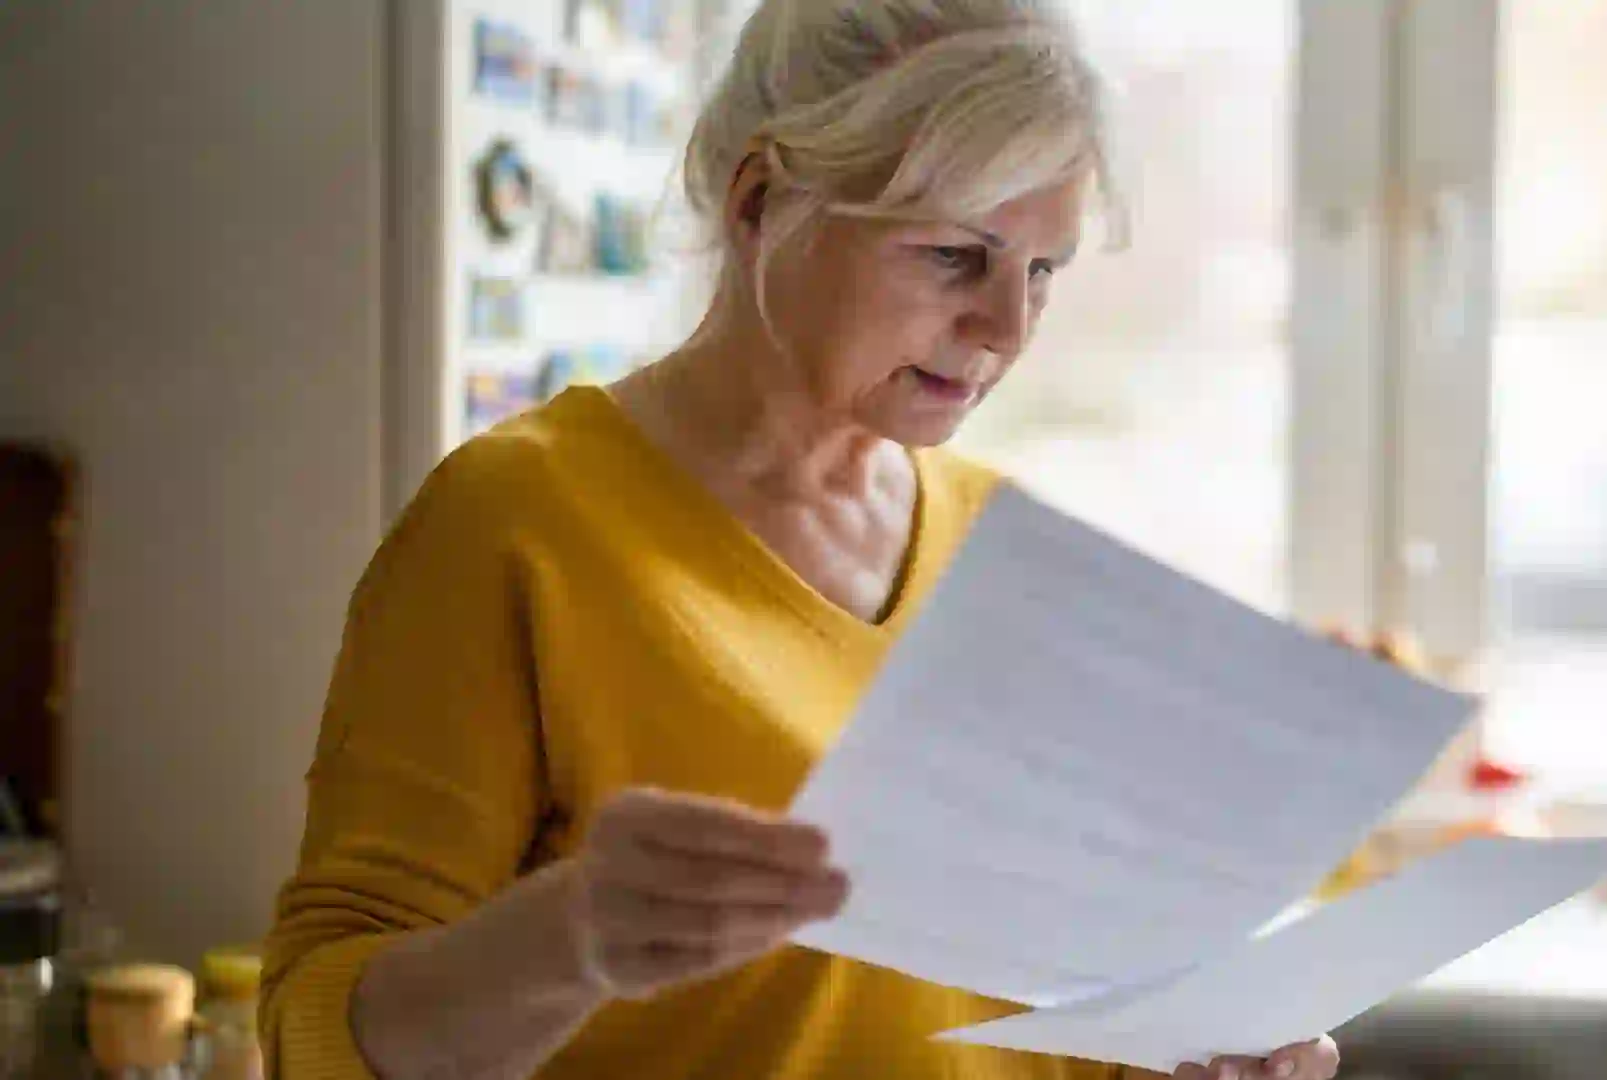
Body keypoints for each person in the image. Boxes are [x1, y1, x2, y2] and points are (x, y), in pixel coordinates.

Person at [262, 1, 1347, 1078]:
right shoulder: (515, 524)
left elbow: (1041, 1024)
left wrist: (1192, 1055)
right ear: (760, 200)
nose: (1007, 328)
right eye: (955, 257)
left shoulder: (1005, 548)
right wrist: (569, 937)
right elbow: (320, 1033)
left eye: (1043, 270)